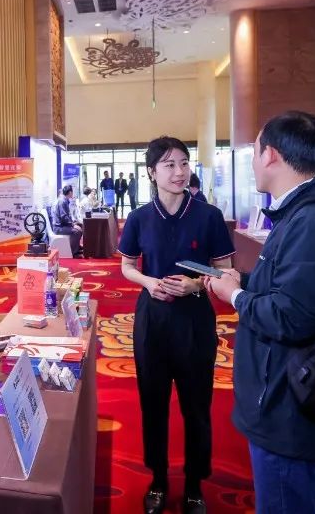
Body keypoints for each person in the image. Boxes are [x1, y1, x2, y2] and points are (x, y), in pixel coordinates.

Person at [205, 111, 315, 514]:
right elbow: (297, 286)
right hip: (293, 392)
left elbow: (293, 316)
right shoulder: (307, 211)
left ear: (271, 155)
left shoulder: (314, 220)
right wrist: (246, 281)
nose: (252, 161)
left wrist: (235, 296)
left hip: (289, 400)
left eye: (255, 151)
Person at [118, 137, 236, 514]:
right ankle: (157, 480)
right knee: (152, 404)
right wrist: (149, 282)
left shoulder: (208, 215)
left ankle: (194, 485)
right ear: (151, 172)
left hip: (195, 320)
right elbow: (127, 265)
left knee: (196, 406)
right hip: (152, 321)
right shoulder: (139, 217)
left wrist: (195, 284)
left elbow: (225, 270)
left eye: (184, 163)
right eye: (169, 164)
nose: (179, 171)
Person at [54, 185, 83, 257]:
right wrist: (73, 225)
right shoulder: (62, 201)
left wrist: (74, 223)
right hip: (59, 228)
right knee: (77, 231)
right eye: (72, 192)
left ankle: (77, 246)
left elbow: (67, 216)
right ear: (70, 192)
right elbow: (64, 217)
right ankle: (74, 253)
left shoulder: (65, 200)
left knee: (80, 225)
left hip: (63, 225)